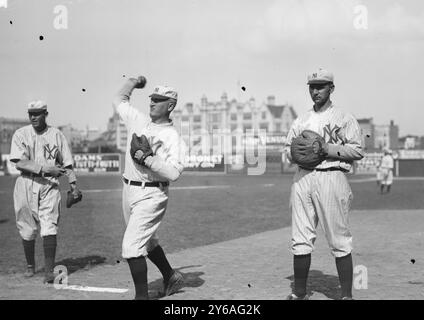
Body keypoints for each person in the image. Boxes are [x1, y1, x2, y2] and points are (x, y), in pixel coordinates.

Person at [284, 68, 364, 300]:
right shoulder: (302, 120)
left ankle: (347, 295)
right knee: (300, 238)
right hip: (303, 178)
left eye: (321, 86)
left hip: (332, 175)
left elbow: (357, 150)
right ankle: (299, 294)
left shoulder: (343, 117)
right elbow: (288, 150)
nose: (316, 91)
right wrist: (295, 154)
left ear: (332, 88)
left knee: (338, 238)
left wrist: (327, 149)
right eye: (312, 86)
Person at [112, 76, 187, 300]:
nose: (153, 102)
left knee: (131, 246)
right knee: (147, 240)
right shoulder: (138, 120)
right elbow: (119, 99)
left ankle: (141, 298)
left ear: (170, 106)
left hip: (153, 193)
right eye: (152, 98)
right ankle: (170, 275)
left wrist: (149, 159)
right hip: (129, 189)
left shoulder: (173, 137)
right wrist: (133, 82)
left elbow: (174, 173)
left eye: (159, 100)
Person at [9, 100, 81, 284]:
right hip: (25, 182)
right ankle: (30, 266)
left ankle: (49, 271)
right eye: (30, 113)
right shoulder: (21, 134)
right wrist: (45, 169)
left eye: (38, 113)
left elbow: (67, 163)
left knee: (50, 224)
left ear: (45, 113)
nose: (33, 116)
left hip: (49, 185)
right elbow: (19, 162)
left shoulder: (57, 135)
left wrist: (73, 185)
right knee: (27, 227)